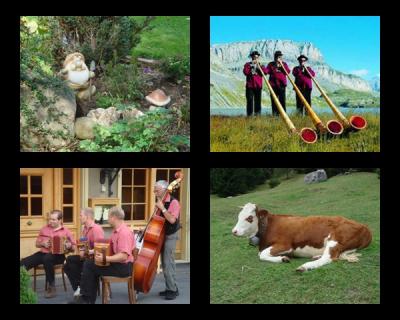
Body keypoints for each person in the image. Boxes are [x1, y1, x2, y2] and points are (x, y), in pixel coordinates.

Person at [69, 207, 135, 304]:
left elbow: (123, 256)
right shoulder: (116, 231)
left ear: (114, 217)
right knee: (92, 264)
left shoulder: (124, 232)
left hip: (123, 268)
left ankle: (86, 299)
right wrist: (94, 252)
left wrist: (105, 258)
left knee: (90, 265)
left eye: (108, 217)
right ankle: (87, 299)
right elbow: (110, 249)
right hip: (118, 264)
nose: (107, 219)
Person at [20, 210, 75, 298]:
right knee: (23, 262)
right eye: (50, 219)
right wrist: (43, 244)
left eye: (53, 220)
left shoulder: (66, 231)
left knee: (47, 258)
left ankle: (52, 287)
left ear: (60, 220)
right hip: (43, 253)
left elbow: (73, 247)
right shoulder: (44, 229)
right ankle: (21, 285)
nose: (50, 221)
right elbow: (37, 244)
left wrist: (68, 245)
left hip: (58, 255)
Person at [64, 208, 104, 300]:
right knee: (68, 262)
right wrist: (80, 248)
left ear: (88, 217)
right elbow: (83, 244)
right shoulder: (85, 229)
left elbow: (100, 248)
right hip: (87, 257)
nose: (79, 217)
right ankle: (79, 287)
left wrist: (88, 251)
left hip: (95, 259)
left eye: (81, 215)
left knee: (78, 263)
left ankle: (81, 288)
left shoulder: (96, 229)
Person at [154, 180, 181, 300]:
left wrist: (162, 209)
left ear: (165, 190)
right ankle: (170, 287)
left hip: (170, 235)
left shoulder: (174, 202)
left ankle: (172, 290)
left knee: (168, 262)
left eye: (157, 190)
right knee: (165, 263)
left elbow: (172, 220)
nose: (154, 192)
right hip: (161, 235)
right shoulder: (160, 201)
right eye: (154, 190)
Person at [265, 51, 291, 116]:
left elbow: (287, 72)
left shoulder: (284, 64)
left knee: (282, 100)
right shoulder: (271, 64)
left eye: (280, 57)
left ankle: (283, 115)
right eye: (277, 57)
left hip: (282, 85)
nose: (279, 58)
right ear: (275, 57)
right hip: (273, 85)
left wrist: (282, 66)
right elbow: (266, 71)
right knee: (274, 101)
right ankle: (275, 115)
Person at [243, 51, 268, 116]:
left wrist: (259, 67)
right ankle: (249, 115)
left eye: (257, 57)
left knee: (258, 102)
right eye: (254, 57)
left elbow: (265, 72)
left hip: (258, 86)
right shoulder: (247, 64)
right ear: (252, 57)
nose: (255, 59)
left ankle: (258, 115)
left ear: (258, 58)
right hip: (250, 86)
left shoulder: (261, 65)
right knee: (250, 101)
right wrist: (251, 66)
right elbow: (245, 72)